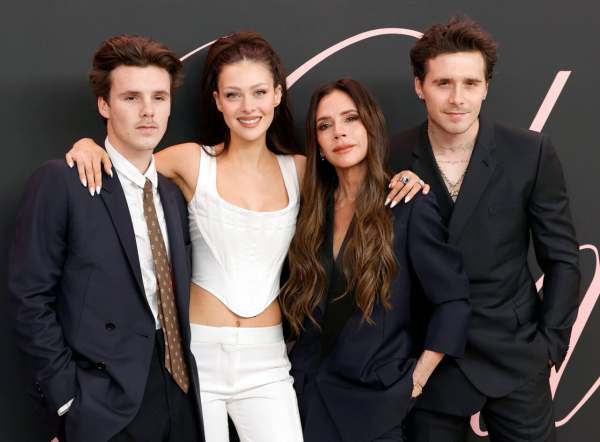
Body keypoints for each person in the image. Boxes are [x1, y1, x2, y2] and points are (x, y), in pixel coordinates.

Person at [65, 32, 427, 441]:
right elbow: (125, 164)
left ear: (277, 95)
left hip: (268, 360)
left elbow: (357, 182)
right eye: (233, 95)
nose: (248, 107)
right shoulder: (191, 161)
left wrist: (404, 177)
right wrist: (87, 144)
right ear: (218, 101)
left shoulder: (301, 171)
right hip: (198, 356)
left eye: (259, 92)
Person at [389, 17, 581, 442]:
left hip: (514, 354)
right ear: (419, 86)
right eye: (443, 83)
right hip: (430, 359)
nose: (457, 98)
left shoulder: (529, 152)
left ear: (486, 87)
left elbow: (563, 260)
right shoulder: (390, 155)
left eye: (470, 84)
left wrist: (549, 346)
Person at [8, 35, 204, 442]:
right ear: (104, 105)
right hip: (104, 402)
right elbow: (29, 297)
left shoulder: (171, 193)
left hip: (180, 391)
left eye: (159, 97)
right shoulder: (63, 182)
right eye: (131, 98)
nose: (148, 111)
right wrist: (67, 401)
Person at [280, 78, 471, 442]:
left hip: (374, 406)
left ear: (371, 125)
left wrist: (415, 382)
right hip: (304, 402)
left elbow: (453, 303)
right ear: (318, 144)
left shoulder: (408, 204)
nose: (339, 132)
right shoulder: (310, 211)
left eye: (350, 118)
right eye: (325, 125)